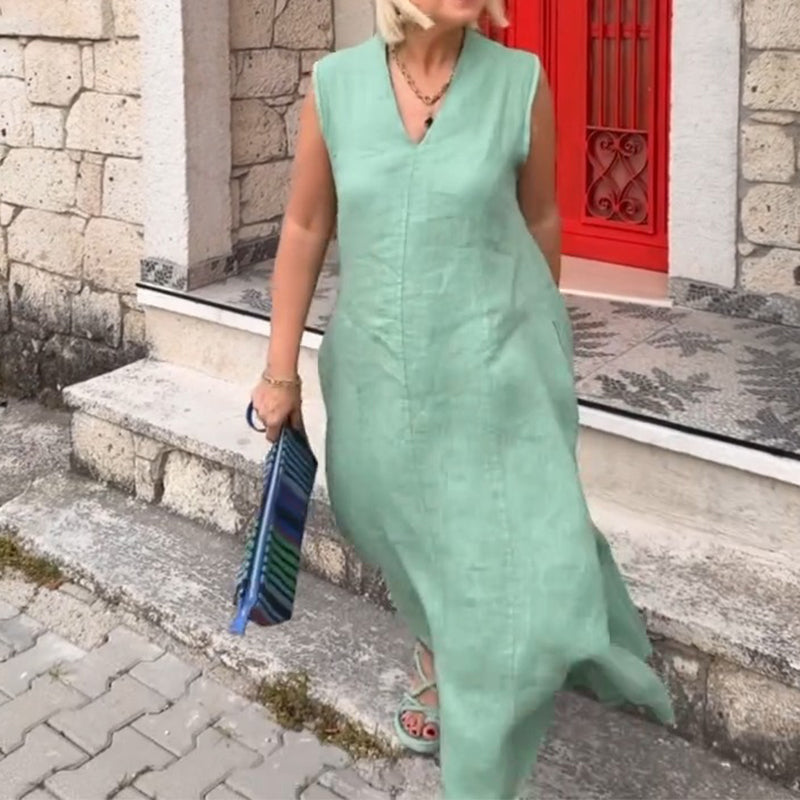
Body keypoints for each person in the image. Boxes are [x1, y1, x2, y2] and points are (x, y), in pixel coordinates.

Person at [250, 1, 674, 797]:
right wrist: (280, 373)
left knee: (516, 551)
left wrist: (543, 341)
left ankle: (479, 722)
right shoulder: (335, 85)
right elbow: (305, 228)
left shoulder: (521, 82)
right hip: (376, 379)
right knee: (392, 525)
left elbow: (540, 217)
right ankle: (439, 645)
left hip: (491, 374)